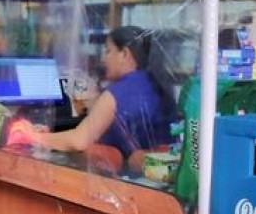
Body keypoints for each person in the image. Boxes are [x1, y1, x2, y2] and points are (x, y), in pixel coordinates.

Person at [32, 26, 173, 160]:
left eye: (107, 51)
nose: (103, 59)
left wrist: (34, 137)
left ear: (124, 54)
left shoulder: (118, 92)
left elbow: (79, 141)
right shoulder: (155, 83)